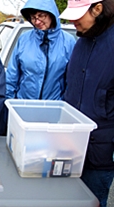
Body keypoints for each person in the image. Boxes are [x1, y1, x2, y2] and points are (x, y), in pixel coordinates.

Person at [59, 0, 114, 206]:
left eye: (78, 14)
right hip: (70, 146)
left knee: (92, 201)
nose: (72, 20)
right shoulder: (82, 41)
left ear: (98, 9)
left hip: (101, 151)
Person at [5, 0, 76, 100]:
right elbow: (11, 76)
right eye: (33, 18)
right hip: (24, 106)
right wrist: (9, 103)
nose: (37, 22)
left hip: (54, 108)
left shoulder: (68, 42)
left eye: (41, 15)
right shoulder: (24, 39)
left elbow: (72, 80)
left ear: (52, 14)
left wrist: (64, 104)